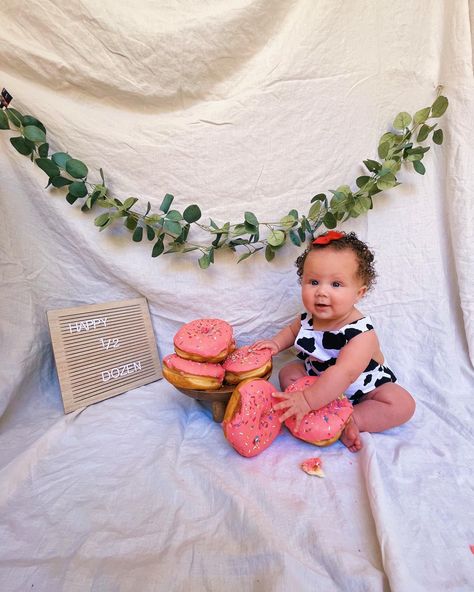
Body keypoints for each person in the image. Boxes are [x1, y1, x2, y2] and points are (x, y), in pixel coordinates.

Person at [251, 230, 415, 452]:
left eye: (336, 284)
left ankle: (353, 419)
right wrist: (276, 344)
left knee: (402, 404)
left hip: (362, 388)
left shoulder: (361, 334)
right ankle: (318, 408)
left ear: (359, 293)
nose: (321, 292)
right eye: (314, 281)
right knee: (288, 372)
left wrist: (307, 400)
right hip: (317, 379)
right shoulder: (309, 319)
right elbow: (292, 331)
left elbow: (343, 374)